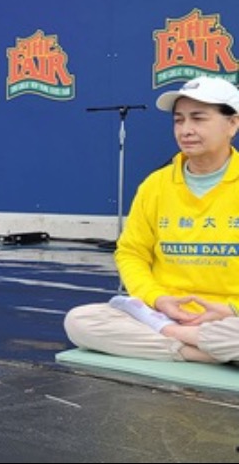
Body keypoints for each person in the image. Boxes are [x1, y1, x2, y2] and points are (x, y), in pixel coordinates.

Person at [64, 76, 239, 363]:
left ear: (233, 124)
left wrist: (231, 310)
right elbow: (131, 253)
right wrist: (158, 300)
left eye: (198, 119)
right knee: (80, 321)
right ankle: (194, 350)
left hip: (230, 320)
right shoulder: (155, 185)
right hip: (164, 316)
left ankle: (189, 345)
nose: (186, 130)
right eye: (178, 120)